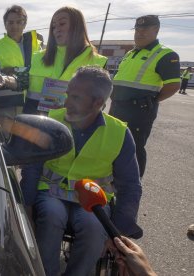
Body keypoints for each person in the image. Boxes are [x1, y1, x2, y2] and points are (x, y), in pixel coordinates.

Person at [21, 66, 142, 275]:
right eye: (67, 94)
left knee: (95, 229)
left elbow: (130, 186)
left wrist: (118, 232)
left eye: (75, 98)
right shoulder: (51, 120)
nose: (66, 102)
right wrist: (27, 207)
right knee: (50, 217)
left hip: (94, 199)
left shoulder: (119, 133)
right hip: (51, 192)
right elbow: (32, 167)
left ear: (97, 103)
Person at [109, 15, 181, 178]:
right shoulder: (130, 53)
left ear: (156, 30)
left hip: (138, 111)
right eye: (137, 29)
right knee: (113, 145)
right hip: (117, 107)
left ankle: (133, 187)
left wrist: (151, 101)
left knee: (133, 148)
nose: (139, 33)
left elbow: (173, 86)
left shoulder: (165, 54)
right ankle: (113, 182)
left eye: (145, 29)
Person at [0, 5, 42, 125]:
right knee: (7, 141)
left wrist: (13, 70)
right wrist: (27, 72)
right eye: (10, 22)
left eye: (19, 22)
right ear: (5, 24)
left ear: (25, 24)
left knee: (30, 142)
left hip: (33, 103)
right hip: (8, 106)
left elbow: (40, 73)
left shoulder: (36, 44)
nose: (15, 26)